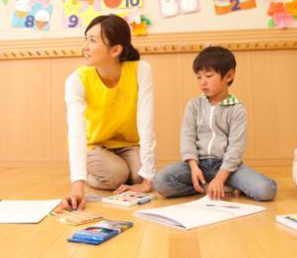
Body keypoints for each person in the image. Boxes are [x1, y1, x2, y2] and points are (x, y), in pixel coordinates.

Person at [153, 46, 277, 201]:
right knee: (160, 181)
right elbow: (187, 137)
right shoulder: (193, 105)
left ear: (229, 76)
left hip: (228, 168)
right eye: (199, 77)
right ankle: (207, 187)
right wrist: (193, 166)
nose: (202, 82)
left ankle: (222, 184)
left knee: (266, 190)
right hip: (198, 166)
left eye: (208, 76)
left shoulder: (237, 108)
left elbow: (236, 147)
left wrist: (220, 178)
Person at [61, 14, 157, 210]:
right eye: (86, 39)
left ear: (115, 50)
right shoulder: (76, 80)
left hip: (129, 144)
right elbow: (76, 133)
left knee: (139, 175)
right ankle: (91, 173)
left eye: (93, 40)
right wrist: (78, 185)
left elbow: (146, 123)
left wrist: (147, 179)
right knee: (116, 176)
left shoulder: (141, 70)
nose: (85, 47)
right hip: (94, 146)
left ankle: (123, 169)